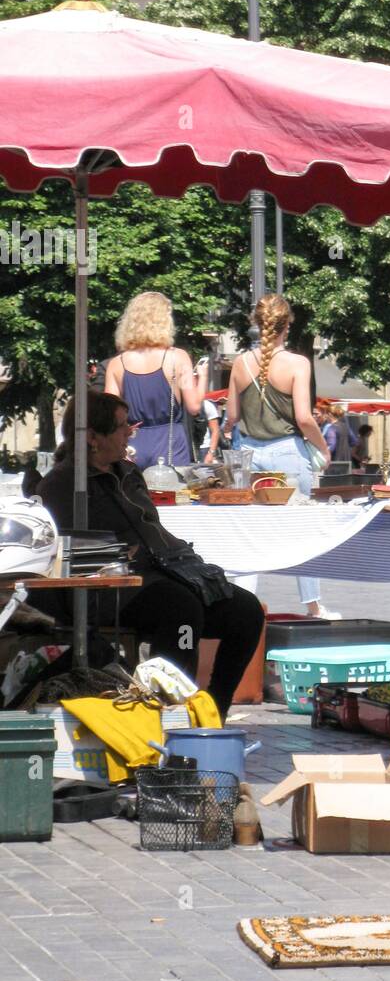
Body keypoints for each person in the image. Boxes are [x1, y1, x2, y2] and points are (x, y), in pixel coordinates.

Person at [37, 393, 264, 719]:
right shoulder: (62, 484)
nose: (130, 432)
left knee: (245, 611)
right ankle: (168, 708)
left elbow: (151, 528)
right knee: (182, 609)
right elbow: (64, 552)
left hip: (162, 572)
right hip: (106, 588)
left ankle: (214, 709)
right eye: (121, 426)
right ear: (92, 438)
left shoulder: (128, 473)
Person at [225, 294, 335, 619]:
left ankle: (243, 606)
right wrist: (324, 448)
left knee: (248, 532)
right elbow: (303, 417)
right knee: (301, 529)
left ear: (258, 324)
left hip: (247, 452)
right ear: (288, 325)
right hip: (288, 451)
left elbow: (231, 414)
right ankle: (313, 606)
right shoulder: (298, 364)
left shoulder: (241, 362)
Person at [104, 292, 209, 471]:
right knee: (173, 495)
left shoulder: (116, 364)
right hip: (170, 443)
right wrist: (203, 376)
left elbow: (108, 415)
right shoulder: (178, 358)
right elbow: (194, 407)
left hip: (132, 444)